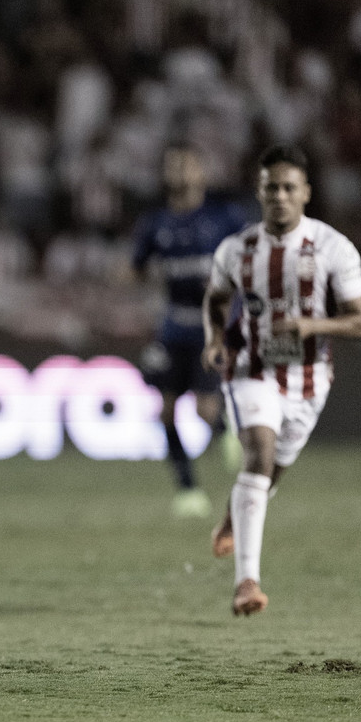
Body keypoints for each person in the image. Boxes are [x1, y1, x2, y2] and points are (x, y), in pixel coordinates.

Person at [202, 144, 361, 616]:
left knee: (271, 473)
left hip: (310, 382)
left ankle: (232, 520)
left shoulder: (333, 248)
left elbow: (360, 322)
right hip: (252, 371)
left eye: (288, 187)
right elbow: (216, 300)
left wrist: (310, 326)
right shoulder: (237, 250)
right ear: (259, 192)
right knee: (259, 453)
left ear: (306, 194)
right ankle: (247, 582)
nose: (279, 195)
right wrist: (216, 340)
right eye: (271, 187)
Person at [130, 142, 247, 518]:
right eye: (173, 166)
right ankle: (187, 491)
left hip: (212, 327)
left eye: (186, 165)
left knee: (202, 410)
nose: (179, 172)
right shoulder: (156, 224)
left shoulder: (224, 219)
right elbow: (136, 268)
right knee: (164, 411)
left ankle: (229, 426)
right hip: (173, 327)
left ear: (201, 172)